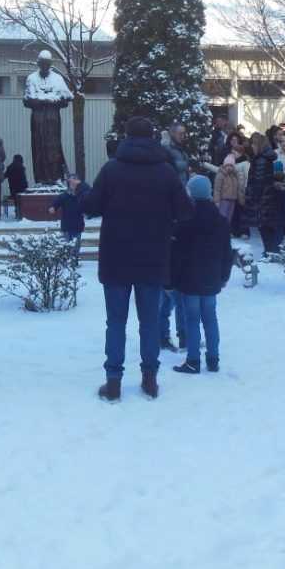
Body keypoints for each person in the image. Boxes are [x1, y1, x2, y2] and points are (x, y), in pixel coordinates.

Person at [81, 115, 194, 402]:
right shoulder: (166, 172)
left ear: (126, 137)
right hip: (153, 256)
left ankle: (114, 381)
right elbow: (185, 211)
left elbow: (92, 206)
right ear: (153, 137)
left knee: (115, 322)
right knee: (149, 322)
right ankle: (149, 379)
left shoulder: (111, 170)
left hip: (116, 256)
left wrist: (81, 192)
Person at [171, 175, 232, 374]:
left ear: (191, 192)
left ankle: (193, 360)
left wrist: (173, 277)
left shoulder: (184, 220)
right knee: (211, 318)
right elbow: (227, 251)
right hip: (212, 277)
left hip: (189, 278)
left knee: (192, 319)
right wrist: (224, 276)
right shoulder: (221, 221)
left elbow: (176, 253)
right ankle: (213, 359)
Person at [24, 50, 73, 185]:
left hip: (52, 119)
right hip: (37, 120)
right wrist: (48, 100)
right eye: (42, 64)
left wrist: (46, 100)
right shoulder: (31, 78)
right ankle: (40, 178)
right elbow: (27, 100)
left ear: (50, 65)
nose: (44, 67)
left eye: (47, 64)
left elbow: (67, 98)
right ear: (38, 64)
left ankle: (56, 177)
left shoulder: (57, 79)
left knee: (53, 147)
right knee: (38, 148)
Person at [241, 132, 277, 241]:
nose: (251, 146)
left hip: (261, 201)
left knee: (264, 230)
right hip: (266, 199)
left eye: (253, 144)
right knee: (266, 230)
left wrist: (251, 198)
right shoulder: (264, 158)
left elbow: (258, 181)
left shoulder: (260, 160)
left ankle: (268, 252)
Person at [260, 164, 285, 256]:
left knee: (267, 239)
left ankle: (267, 253)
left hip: (265, 217)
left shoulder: (264, 184)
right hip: (279, 218)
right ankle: (274, 254)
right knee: (277, 240)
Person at [48, 174, 87, 253]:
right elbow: (55, 204)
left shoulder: (82, 195)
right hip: (67, 226)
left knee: (76, 247)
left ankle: (74, 262)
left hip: (78, 225)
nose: (73, 183)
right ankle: (69, 262)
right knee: (67, 247)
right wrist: (53, 208)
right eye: (71, 181)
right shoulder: (64, 196)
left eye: (75, 180)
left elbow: (90, 197)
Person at [212, 156, 243, 225]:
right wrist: (216, 200)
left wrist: (240, 198)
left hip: (233, 199)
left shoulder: (234, 175)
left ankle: (226, 229)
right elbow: (217, 188)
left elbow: (238, 187)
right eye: (227, 165)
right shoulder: (221, 174)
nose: (229, 167)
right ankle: (220, 229)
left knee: (229, 217)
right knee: (222, 215)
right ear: (224, 165)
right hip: (224, 199)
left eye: (231, 166)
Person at [5, 154, 29, 219]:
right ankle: (21, 213)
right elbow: (24, 179)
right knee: (21, 201)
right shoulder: (21, 168)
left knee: (16, 201)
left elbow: (4, 176)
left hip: (13, 189)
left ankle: (17, 213)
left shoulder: (9, 167)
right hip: (21, 188)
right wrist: (26, 187)